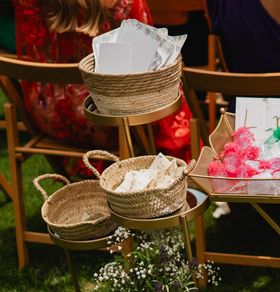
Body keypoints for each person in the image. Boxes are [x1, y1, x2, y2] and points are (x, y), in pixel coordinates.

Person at [14, 0, 192, 176]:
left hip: (49, 119)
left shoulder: (27, 3)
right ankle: (177, 172)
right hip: (107, 121)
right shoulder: (125, 4)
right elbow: (149, 72)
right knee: (164, 89)